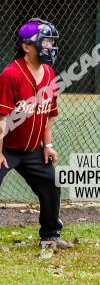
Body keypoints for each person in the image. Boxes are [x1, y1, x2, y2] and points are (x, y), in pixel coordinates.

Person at [0, 19, 68, 250]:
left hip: (32, 150)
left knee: (51, 184)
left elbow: (49, 114)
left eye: (51, 42)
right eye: (44, 41)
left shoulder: (49, 73)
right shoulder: (11, 74)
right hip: (6, 147)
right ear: (27, 46)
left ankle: (50, 236)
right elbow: (1, 119)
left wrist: (47, 145)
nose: (49, 46)